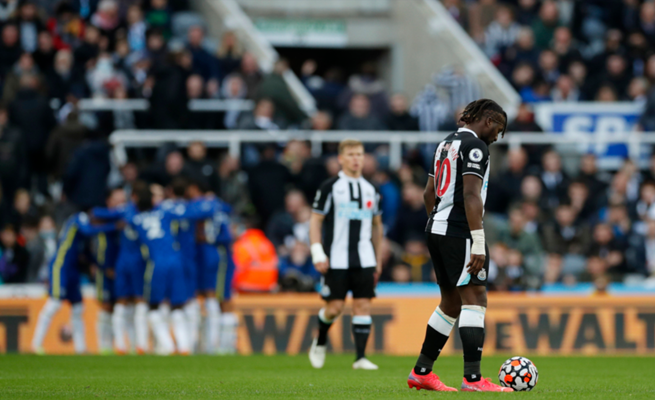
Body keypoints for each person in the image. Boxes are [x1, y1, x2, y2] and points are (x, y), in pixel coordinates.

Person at [408, 99, 512, 392]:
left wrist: (439, 226)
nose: (497, 137)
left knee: (451, 302)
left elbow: (428, 193)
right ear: (488, 121)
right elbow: (470, 195)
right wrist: (477, 240)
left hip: (436, 229)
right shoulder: (476, 146)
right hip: (460, 231)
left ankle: (421, 372)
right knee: (475, 298)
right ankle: (473, 379)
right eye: (498, 129)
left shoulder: (444, 144)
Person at [308, 139, 384, 371]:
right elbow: (315, 220)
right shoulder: (330, 187)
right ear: (341, 159)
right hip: (336, 258)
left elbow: (377, 226)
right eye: (351, 154)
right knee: (334, 308)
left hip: (364, 257)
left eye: (359, 154)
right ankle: (320, 340)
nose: (356, 159)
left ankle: (360, 358)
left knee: (363, 305)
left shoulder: (371, 189)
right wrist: (317, 252)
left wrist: (378, 259)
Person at [31, 211, 119, 354]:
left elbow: (87, 254)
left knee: (78, 308)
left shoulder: (83, 236)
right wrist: (114, 226)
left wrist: (103, 267)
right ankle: (36, 344)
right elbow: (89, 230)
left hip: (73, 270)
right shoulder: (79, 218)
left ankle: (80, 348)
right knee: (54, 303)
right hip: (60, 266)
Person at [193, 183, 237, 354]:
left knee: (219, 299)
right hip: (219, 256)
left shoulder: (212, 210)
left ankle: (221, 346)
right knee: (218, 299)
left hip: (219, 256)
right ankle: (220, 345)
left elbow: (226, 235)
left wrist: (207, 238)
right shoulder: (222, 209)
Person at [91, 188, 125, 354]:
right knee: (105, 307)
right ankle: (103, 346)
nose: (120, 203)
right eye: (117, 200)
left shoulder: (124, 219)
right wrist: (103, 267)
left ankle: (117, 344)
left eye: (123, 200)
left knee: (118, 307)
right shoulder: (102, 220)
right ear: (109, 201)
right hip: (104, 271)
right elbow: (96, 247)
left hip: (121, 271)